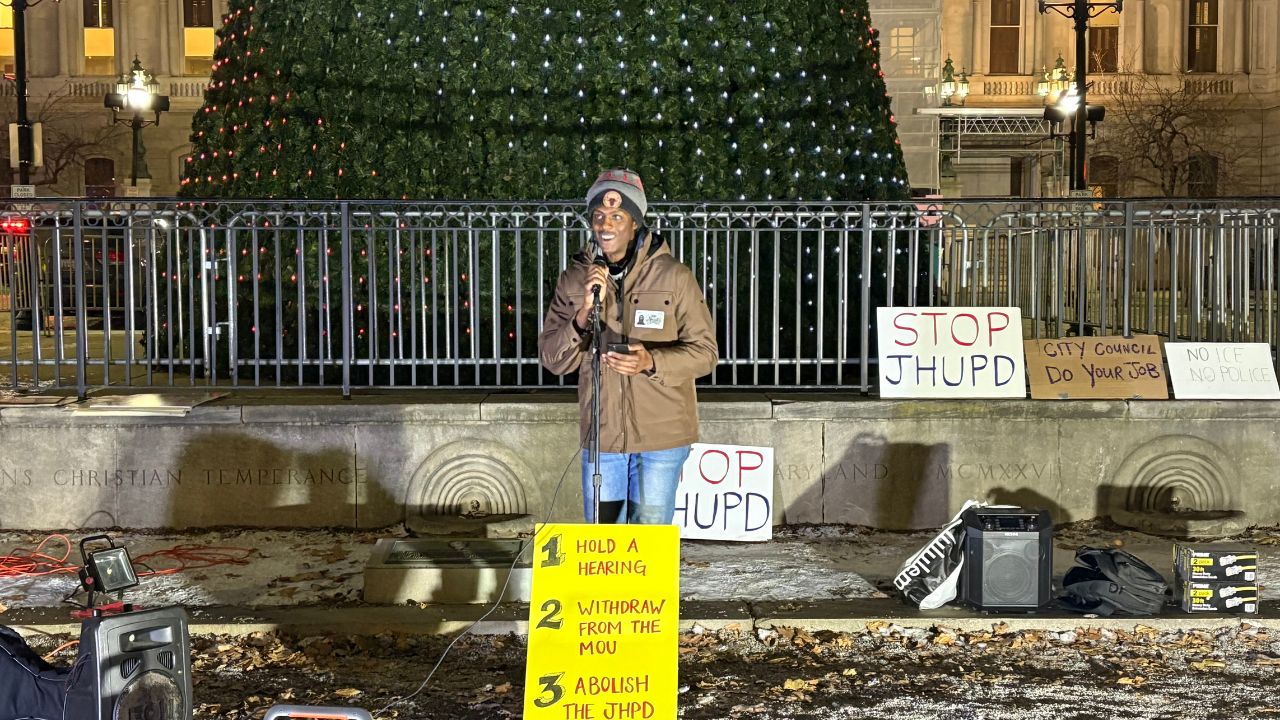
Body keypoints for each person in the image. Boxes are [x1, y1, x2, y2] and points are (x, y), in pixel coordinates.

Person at [538, 169, 718, 524]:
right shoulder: (575, 280)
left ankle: (646, 585)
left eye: (617, 216)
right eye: (599, 216)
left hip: (661, 438)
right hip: (603, 440)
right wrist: (584, 311)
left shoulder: (674, 276)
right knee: (606, 543)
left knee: (647, 544)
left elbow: (705, 352)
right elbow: (554, 360)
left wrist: (651, 360)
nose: (605, 224)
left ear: (635, 223)